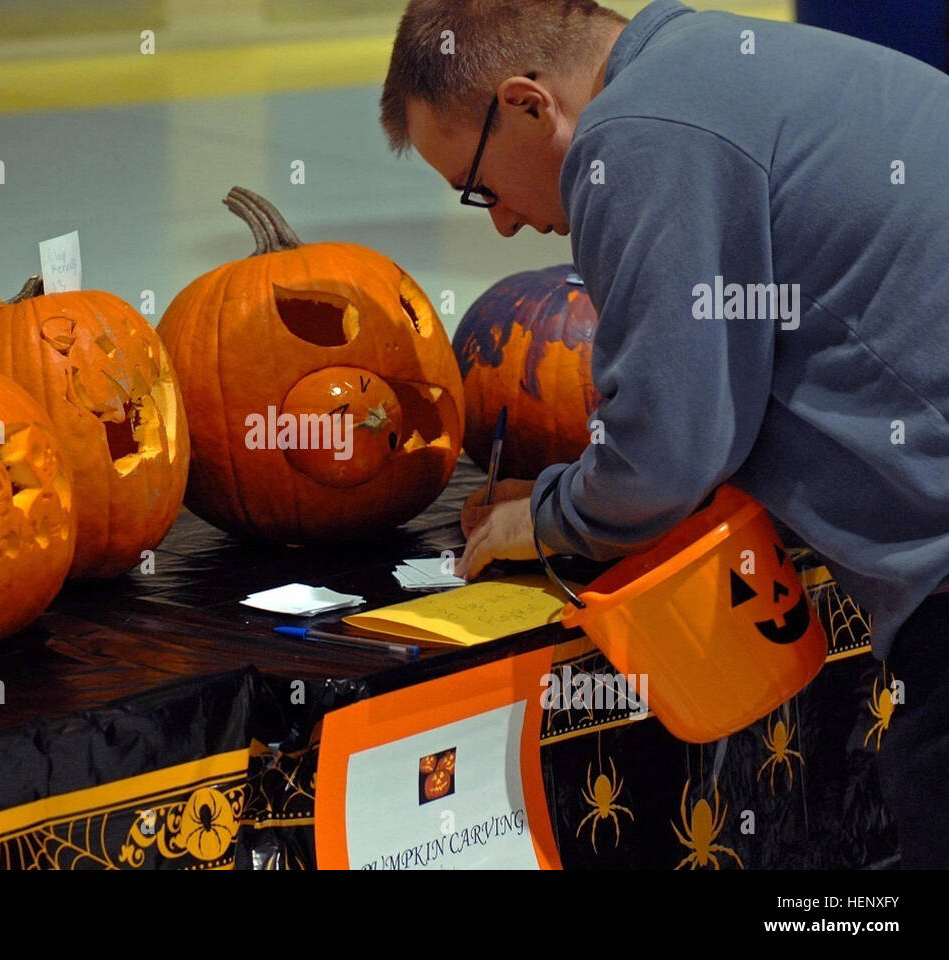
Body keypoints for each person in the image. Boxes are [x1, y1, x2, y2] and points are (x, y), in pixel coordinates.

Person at [379, 0, 949, 866]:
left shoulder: (637, 137)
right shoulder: (712, 56)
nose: (497, 223)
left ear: (530, 104)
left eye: (480, 186)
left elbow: (665, 455)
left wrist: (546, 518)